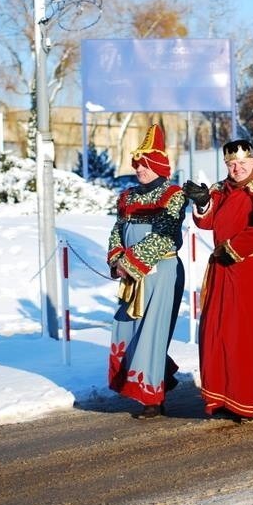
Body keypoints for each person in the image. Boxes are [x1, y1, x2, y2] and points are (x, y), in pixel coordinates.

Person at [182, 139, 253, 421]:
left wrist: (234, 248)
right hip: (222, 269)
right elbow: (206, 223)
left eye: (242, 163)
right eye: (231, 164)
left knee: (247, 336)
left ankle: (249, 401)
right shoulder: (219, 189)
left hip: (252, 270)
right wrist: (202, 202)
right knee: (218, 333)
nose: (237, 168)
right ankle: (221, 397)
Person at [107, 124, 186, 419]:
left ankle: (153, 398)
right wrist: (116, 257)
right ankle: (164, 375)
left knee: (152, 332)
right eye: (138, 164)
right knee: (129, 329)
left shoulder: (174, 194)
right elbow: (117, 229)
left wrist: (130, 263)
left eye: (146, 165)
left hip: (160, 272)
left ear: (159, 167)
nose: (140, 169)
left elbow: (165, 233)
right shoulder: (127, 196)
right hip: (131, 273)